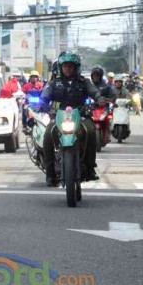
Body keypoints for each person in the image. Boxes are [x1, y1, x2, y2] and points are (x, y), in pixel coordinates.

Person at [39, 52, 101, 186]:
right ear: (61, 68)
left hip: (81, 114)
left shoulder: (84, 82)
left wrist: (99, 99)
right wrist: (42, 103)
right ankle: (50, 173)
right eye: (65, 66)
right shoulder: (54, 83)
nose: (67, 69)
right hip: (59, 115)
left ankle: (90, 168)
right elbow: (45, 95)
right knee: (48, 135)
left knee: (91, 131)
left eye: (70, 66)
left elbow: (94, 92)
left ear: (76, 68)